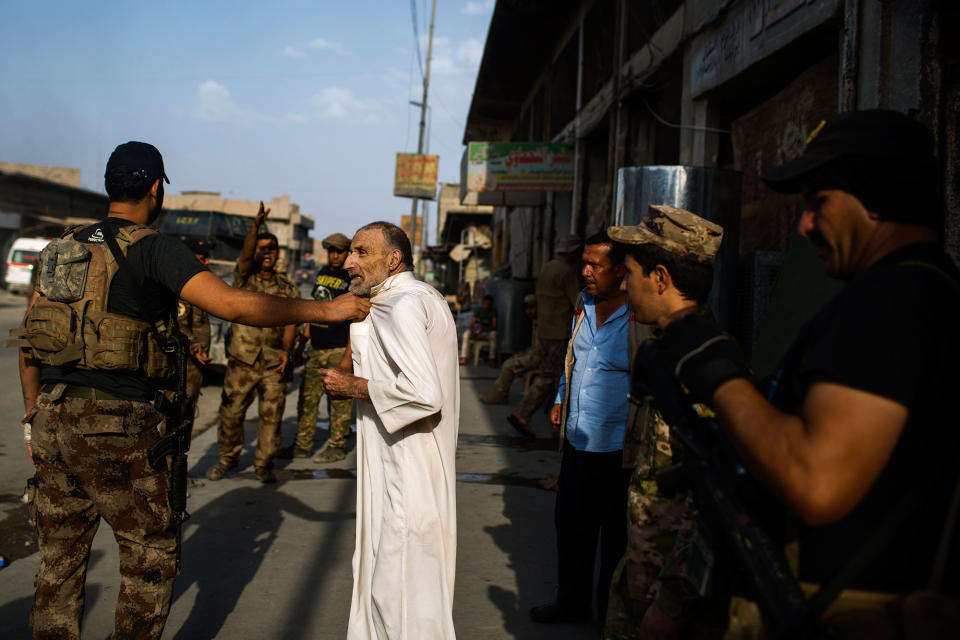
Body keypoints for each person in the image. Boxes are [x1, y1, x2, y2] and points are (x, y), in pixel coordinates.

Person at [12, 141, 369, 640]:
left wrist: (33, 415)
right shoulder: (154, 246)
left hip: (53, 420)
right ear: (156, 189)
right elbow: (234, 305)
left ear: (111, 186)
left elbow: (29, 341)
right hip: (120, 422)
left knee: (59, 562)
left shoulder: (60, 248)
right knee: (148, 559)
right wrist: (328, 310)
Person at [650, 110, 960, 635]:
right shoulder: (933, 292)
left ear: (877, 198)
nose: (805, 226)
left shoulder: (888, 303)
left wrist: (716, 372)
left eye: (819, 204)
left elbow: (818, 481)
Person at [320, 221, 459, 639]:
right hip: (394, 464)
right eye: (351, 253)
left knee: (399, 590)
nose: (349, 262)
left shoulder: (404, 305)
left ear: (393, 259)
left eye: (362, 252)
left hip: (408, 469)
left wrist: (355, 387)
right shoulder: (399, 299)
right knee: (392, 582)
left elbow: (424, 394)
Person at [604, 205, 729, 640]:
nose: (623, 283)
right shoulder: (671, 350)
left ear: (660, 278)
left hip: (670, 593)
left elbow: (714, 496)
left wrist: (672, 601)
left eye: (631, 273)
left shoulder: (706, 363)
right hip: (645, 569)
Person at [530, 231, 632, 628]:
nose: (586, 272)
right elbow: (574, 360)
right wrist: (560, 397)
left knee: (616, 541)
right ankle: (570, 602)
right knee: (572, 529)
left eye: (595, 265)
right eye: (583, 264)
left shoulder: (639, 316)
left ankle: (609, 616)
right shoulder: (582, 304)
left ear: (621, 271)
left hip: (619, 449)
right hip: (577, 442)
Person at [207, 204, 300, 484]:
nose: (267, 252)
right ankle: (227, 458)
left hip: (273, 362)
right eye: (262, 248)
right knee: (231, 414)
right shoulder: (244, 279)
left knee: (271, 418)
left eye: (271, 248)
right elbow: (246, 257)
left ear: (278, 253)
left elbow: (291, 322)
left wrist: (286, 351)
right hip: (242, 361)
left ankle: (263, 464)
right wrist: (254, 229)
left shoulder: (287, 288)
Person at [480, 235, 580, 441]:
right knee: (551, 376)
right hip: (559, 333)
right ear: (573, 253)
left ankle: (554, 423)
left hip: (545, 332)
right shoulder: (567, 272)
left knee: (551, 376)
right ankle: (523, 413)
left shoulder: (547, 268)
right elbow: (579, 302)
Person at [279, 231, 354, 462]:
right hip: (316, 347)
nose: (334, 255)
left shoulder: (352, 278)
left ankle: (337, 446)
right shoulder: (322, 273)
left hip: (338, 348)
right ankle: (302, 446)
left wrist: (347, 359)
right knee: (307, 400)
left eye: (339, 251)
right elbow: (315, 309)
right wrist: (303, 342)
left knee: (339, 402)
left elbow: (356, 321)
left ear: (347, 252)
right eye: (331, 251)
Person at [177, 238, 214, 424]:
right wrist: (195, 347)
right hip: (183, 365)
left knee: (187, 417)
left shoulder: (200, 286)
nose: (207, 262)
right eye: (202, 258)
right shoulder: (183, 287)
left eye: (207, 258)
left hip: (195, 366)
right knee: (176, 417)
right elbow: (180, 324)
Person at [459, 293, 498, 365]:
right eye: (485, 304)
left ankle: (492, 359)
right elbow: (472, 324)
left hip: (487, 333)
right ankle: (464, 358)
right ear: (483, 303)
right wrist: (474, 331)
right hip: (477, 332)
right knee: (466, 334)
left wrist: (483, 330)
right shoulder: (478, 311)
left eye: (488, 304)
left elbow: (494, 327)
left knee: (494, 334)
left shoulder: (493, 312)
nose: (486, 306)